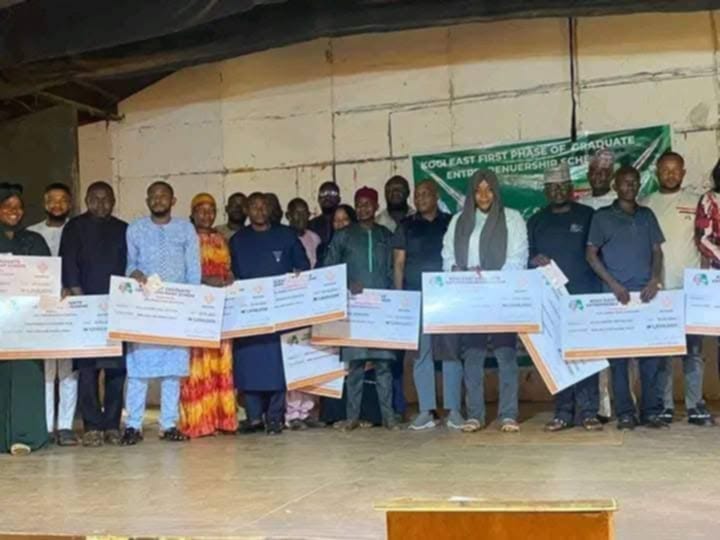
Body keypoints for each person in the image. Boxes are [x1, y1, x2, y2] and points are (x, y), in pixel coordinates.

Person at [441, 169, 528, 433]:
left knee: (506, 354)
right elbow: (448, 256)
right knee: (473, 356)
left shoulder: (512, 218)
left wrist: (491, 279)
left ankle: (508, 414)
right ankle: (475, 415)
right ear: (471, 193)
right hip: (470, 298)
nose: (483, 195)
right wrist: (457, 270)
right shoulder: (458, 221)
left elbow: (518, 257)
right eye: (478, 190)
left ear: (496, 191)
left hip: (500, 295)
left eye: (489, 189)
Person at [586, 165, 667, 430]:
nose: (630, 186)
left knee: (650, 357)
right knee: (618, 360)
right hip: (616, 298)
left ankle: (651, 411)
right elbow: (591, 255)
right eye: (625, 182)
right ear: (615, 186)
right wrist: (613, 285)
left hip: (646, 297)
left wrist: (655, 279)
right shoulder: (602, 217)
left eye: (634, 182)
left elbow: (657, 251)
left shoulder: (647, 215)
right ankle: (625, 413)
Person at [121, 181, 201, 445]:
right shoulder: (135, 229)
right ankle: (133, 425)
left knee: (172, 370)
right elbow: (130, 264)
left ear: (173, 200)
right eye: (153, 196)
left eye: (163, 195)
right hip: (145, 308)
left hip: (177, 309)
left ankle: (169, 424)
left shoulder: (185, 229)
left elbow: (193, 269)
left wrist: (192, 303)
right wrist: (134, 272)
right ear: (147, 201)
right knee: (138, 370)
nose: (158, 200)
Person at [527, 163, 603, 432]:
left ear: (571, 188)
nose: (557, 191)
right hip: (551, 301)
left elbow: (599, 254)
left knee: (586, 355)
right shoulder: (536, 221)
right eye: (552, 187)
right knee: (557, 357)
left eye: (562, 186)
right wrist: (533, 260)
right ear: (545, 191)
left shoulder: (588, 215)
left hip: (584, 296)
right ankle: (563, 412)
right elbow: (527, 258)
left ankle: (589, 412)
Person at [230, 193, 310, 435]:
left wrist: (297, 278)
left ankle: (275, 417)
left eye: (263, 206)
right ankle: (254, 417)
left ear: (270, 209)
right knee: (249, 364)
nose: (259, 210)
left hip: (280, 312)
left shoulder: (286, 235)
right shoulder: (237, 240)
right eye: (254, 206)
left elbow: (303, 267)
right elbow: (231, 274)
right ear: (247, 210)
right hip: (249, 313)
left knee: (278, 366)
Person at [642, 152, 712, 426]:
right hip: (659, 291)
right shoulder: (646, 203)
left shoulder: (697, 202)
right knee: (663, 353)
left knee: (693, 352)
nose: (670, 175)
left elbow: (705, 243)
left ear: (683, 172)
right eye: (665, 170)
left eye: (675, 170)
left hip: (690, 290)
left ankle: (695, 405)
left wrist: (704, 281)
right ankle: (665, 405)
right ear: (656, 172)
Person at [59, 182, 128, 447]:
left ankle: (112, 424)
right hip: (85, 308)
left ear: (114, 201)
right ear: (87, 201)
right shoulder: (74, 227)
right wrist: (84, 302)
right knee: (87, 370)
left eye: (106, 199)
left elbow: (130, 265)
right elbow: (69, 264)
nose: (101, 204)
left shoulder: (123, 229)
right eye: (95, 199)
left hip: (117, 309)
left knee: (116, 371)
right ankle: (91, 426)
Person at [325, 186, 399, 431]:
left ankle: (388, 417)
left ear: (376, 206)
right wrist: (347, 283)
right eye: (359, 204)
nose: (363, 208)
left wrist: (393, 298)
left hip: (381, 310)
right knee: (355, 366)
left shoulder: (386, 235)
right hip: (355, 309)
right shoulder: (343, 236)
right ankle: (352, 417)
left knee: (383, 365)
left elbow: (393, 269)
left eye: (368, 204)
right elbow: (330, 268)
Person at [392, 180, 451, 430]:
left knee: (450, 354)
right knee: (421, 355)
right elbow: (398, 264)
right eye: (417, 195)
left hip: (446, 297)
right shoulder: (406, 225)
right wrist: (400, 298)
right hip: (416, 296)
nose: (420, 199)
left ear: (436, 196)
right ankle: (427, 410)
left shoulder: (450, 223)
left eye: (425, 194)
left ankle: (454, 411)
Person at [178, 193, 237, 438]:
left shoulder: (221, 238)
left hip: (219, 310)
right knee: (196, 365)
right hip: (196, 311)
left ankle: (222, 420)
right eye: (201, 210)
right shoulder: (185, 237)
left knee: (220, 362)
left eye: (211, 210)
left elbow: (227, 267)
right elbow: (181, 273)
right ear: (192, 214)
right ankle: (197, 422)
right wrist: (204, 280)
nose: (207, 215)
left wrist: (229, 276)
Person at [0, 183, 50, 456]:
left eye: (18, 207)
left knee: (27, 376)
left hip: (28, 323)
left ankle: (26, 436)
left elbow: (48, 278)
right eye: (7, 206)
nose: (14, 212)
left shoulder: (34, 240)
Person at [28, 182, 78, 446]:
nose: (57, 205)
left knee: (69, 370)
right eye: (52, 200)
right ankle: (46, 426)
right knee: (47, 371)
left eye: (63, 200)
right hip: (42, 308)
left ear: (70, 204)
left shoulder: (77, 230)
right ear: (45, 203)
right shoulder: (31, 233)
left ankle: (66, 426)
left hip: (70, 306)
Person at [579, 148, 617, 422]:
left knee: (620, 348)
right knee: (595, 349)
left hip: (617, 284)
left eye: (605, 172)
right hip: (588, 285)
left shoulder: (621, 202)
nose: (599, 176)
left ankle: (626, 402)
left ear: (612, 175)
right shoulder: (580, 205)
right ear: (589, 174)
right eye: (595, 171)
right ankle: (602, 406)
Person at [284, 197, 323, 429]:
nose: (300, 217)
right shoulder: (283, 237)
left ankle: (308, 411)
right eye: (295, 213)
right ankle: (292, 413)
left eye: (304, 212)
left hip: (312, 303)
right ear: (288, 216)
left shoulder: (315, 238)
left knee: (311, 357)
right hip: (290, 304)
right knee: (293, 357)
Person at [309, 181, 341, 253]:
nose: (327, 197)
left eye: (332, 193)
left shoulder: (348, 223)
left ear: (339, 199)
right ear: (318, 199)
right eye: (323, 193)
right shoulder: (311, 225)